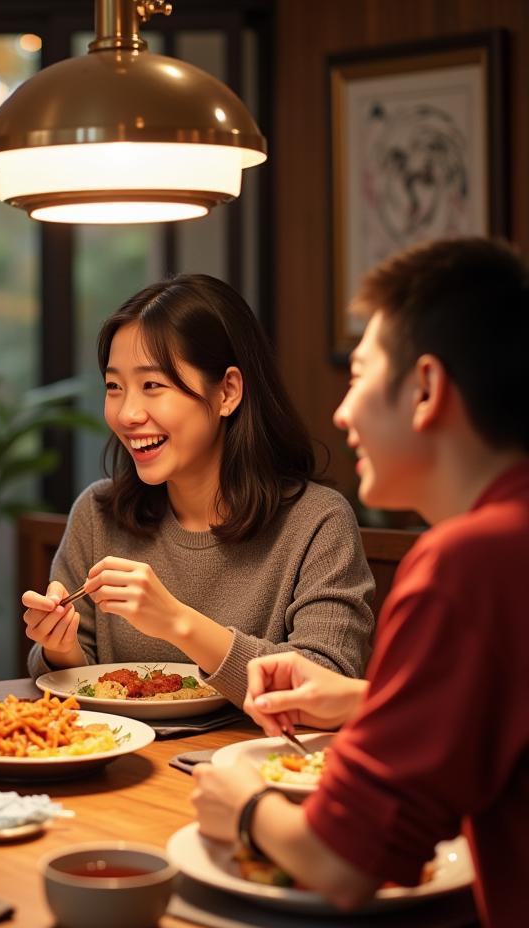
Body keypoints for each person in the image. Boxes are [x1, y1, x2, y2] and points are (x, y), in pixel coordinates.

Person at [192, 237, 529, 928]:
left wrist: (240, 797)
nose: (341, 412)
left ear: (426, 389)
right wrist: (364, 698)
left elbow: (341, 864)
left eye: (359, 376)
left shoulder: (467, 561)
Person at [22, 274, 373, 706]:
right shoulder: (97, 513)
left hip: (251, 764)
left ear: (227, 392)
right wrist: (59, 647)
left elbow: (329, 681)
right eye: (114, 387)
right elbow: (80, 682)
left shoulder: (316, 522)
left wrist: (178, 623)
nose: (128, 413)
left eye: (153, 385)